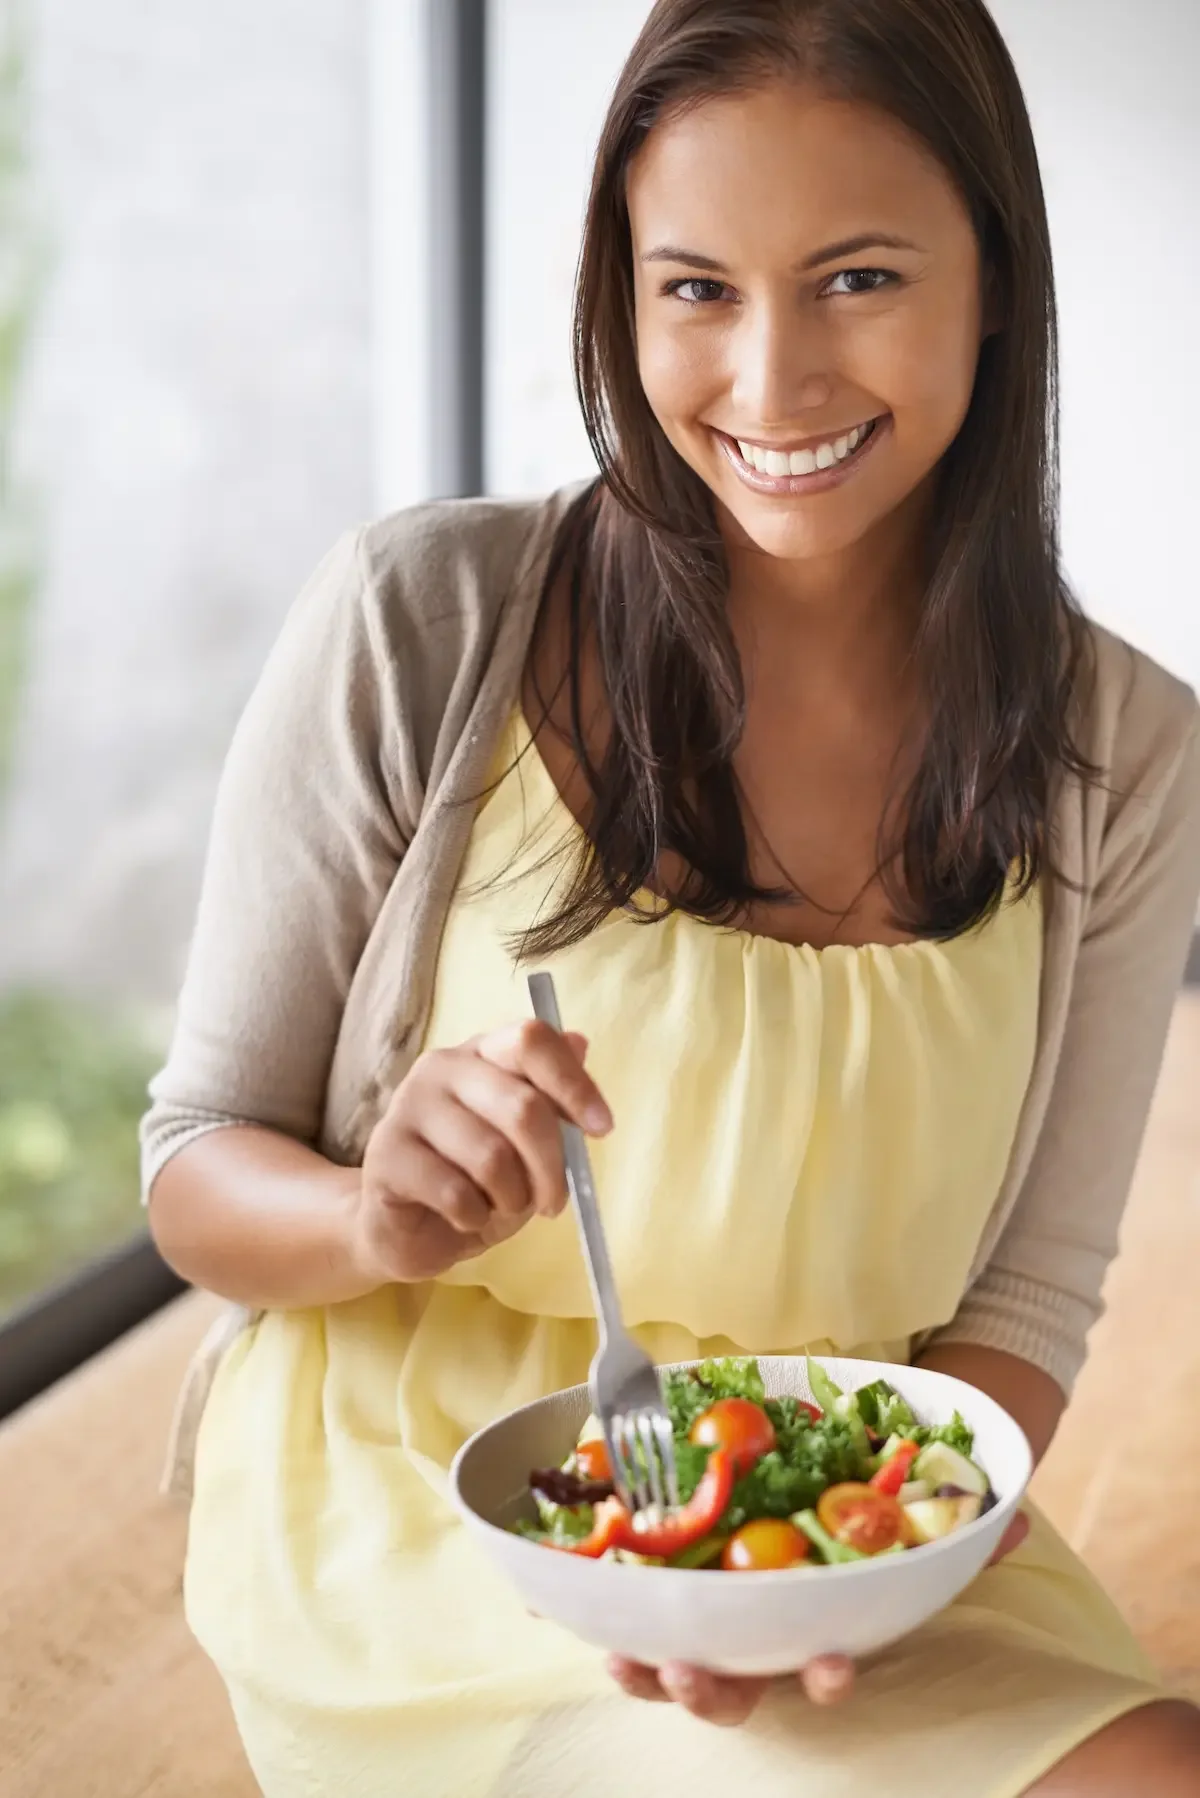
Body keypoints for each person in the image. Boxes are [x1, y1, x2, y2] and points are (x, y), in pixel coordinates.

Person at [143, 0, 1200, 1792]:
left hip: (835, 1514)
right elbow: (194, 1163)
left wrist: (865, 1556)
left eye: (858, 279)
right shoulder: (423, 620)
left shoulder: (1130, 756)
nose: (771, 384)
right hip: (429, 1504)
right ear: (622, 295)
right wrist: (373, 1220)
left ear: (996, 280)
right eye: (697, 288)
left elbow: (1021, 1311)